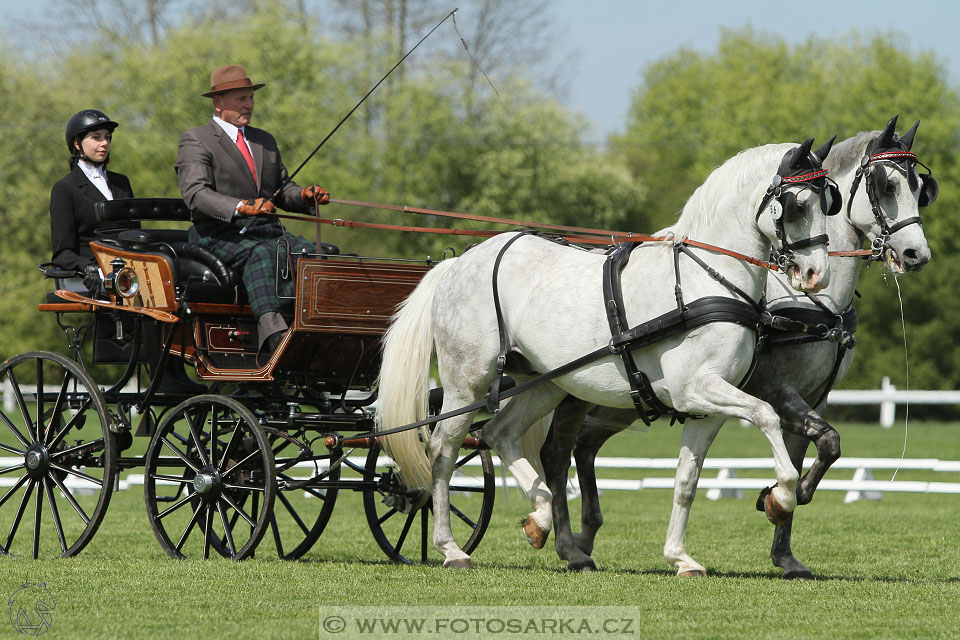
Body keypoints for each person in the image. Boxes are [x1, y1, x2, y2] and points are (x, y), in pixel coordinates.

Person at [175, 64, 331, 367]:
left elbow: (281, 190)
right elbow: (196, 194)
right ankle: (274, 335)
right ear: (218, 103)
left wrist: (303, 196)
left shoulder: (264, 141)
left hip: (266, 231)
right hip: (217, 233)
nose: (248, 105)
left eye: (250, 98)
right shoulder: (196, 140)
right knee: (262, 254)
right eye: (240, 99)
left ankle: (317, 327)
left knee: (318, 253)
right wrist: (239, 207)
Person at [50, 109, 205, 394]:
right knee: (149, 293)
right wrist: (91, 268)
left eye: (107, 137)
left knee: (177, 289)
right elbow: (61, 252)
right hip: (91, 272)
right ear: (76, 143)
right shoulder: (65, 189)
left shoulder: (121, 183)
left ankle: (173, 369)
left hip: (129, 267)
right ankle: (162, 376)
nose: (104, 143)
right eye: (96, 138)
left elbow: (136, 235)